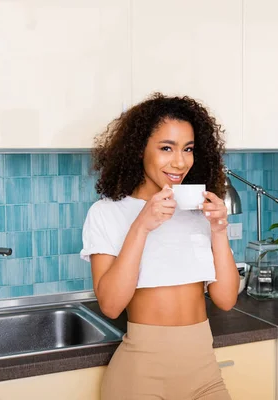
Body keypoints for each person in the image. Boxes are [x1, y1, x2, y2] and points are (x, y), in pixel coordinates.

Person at [80, 92, 239, 399]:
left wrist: (219, 230)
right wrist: (142, 225)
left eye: (188, 149)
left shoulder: (197, 211)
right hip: (141, 379)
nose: (180, 162)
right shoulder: (107, 212)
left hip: (205, 374)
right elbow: (111, 305)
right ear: (140, 149)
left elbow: (226, 299)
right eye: (167, 147)